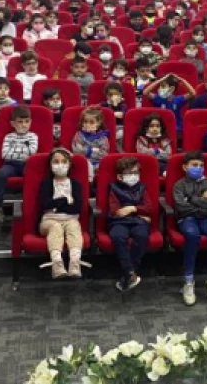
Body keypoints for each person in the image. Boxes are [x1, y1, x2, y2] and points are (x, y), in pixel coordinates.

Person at [173, 151, 207, 306]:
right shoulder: (179, 185)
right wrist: (201, 200)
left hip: (205, 217)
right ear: (185, 167)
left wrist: (191, 200)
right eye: (194, 165)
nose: (198, 168)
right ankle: (188, 281)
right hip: (186, 219)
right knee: (192, 235)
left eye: (201, 166)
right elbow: (180, 206)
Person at [108, 156, 153, 292]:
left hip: (138, 222)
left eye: (136, 172)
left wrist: (132, 209)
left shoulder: (142, 188)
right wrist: (140, 212)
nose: (134, 176)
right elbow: (115, 211)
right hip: (119, 222)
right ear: (120, 176)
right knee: (118, 236)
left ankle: (129, 273)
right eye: (129, 173)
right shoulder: (114, 189)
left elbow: (149, 208)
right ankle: (129, 272)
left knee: (142, 236)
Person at [39, 148, 85, 279]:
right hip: (49, 220)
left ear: (69, 164)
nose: (60, 164)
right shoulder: (47, 183)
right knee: (56, 228)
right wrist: (66, 200)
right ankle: (57, 264)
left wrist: (56, 205)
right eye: (56, 161)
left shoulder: (75, 184)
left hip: (71, 219)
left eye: (64, 161)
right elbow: (45, 204)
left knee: (74, 228)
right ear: (50, 164)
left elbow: (77, 207)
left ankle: (75, 263)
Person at [0, 106, 38, 226]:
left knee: (33, 176)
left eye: (27, 122)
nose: (23, 125)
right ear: (13, 123)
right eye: (20, 122)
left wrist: (16, 152)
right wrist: (23, 152)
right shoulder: (9, 137)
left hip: (28, 164)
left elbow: (32, 152)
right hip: (10, 164)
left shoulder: (33, 136)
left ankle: (32, 207)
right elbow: (5, 154)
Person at [71, 107, 110, 181]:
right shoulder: (79, 135)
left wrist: (84, 150)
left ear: (98, 124)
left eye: (91, 122)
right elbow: (77, 151)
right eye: (85, 122)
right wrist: (91, 150)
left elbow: (104, 154)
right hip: (83, 163)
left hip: (98, 164)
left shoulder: (103, 138)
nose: (88, 125)